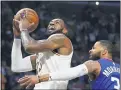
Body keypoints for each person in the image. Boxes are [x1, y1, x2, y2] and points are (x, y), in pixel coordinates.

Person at [18, 40, 120, 90]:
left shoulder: (95, 64)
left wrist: (39, 78)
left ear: (104, 52)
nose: (90, 50)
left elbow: (72, 73)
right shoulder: (119, 68)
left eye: (94, 48)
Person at [11, 12, 73, 89]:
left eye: (57, 22)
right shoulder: (43, 55)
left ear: (65, 30)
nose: (52, 23)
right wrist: (17, 37)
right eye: (50, 23)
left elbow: (29, 47)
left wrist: (23, 29)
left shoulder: (62, 39)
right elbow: (17, 66)